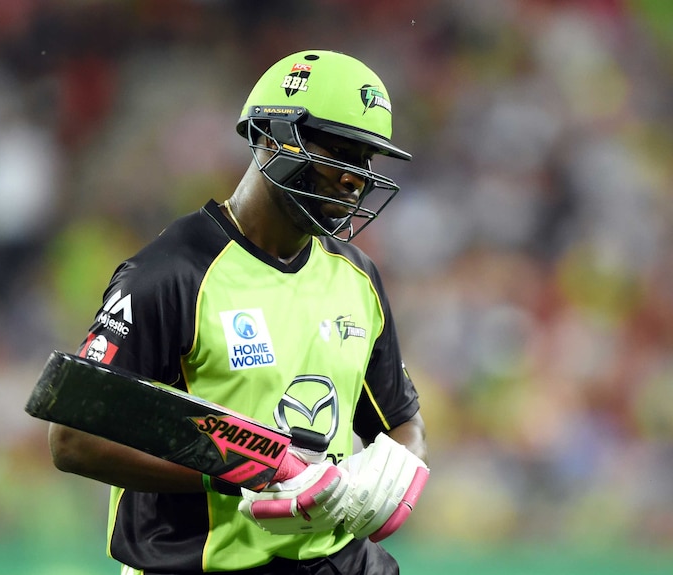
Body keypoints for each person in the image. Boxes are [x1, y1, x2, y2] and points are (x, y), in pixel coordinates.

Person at [48, 49, 429, 575]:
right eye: (339, 152)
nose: (354, 178)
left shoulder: (358, 278)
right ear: (272, 138)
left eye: (364, 161)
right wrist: (246, 470)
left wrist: (381, 481)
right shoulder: (171, 275)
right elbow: (72, 439)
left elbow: (402, 423)